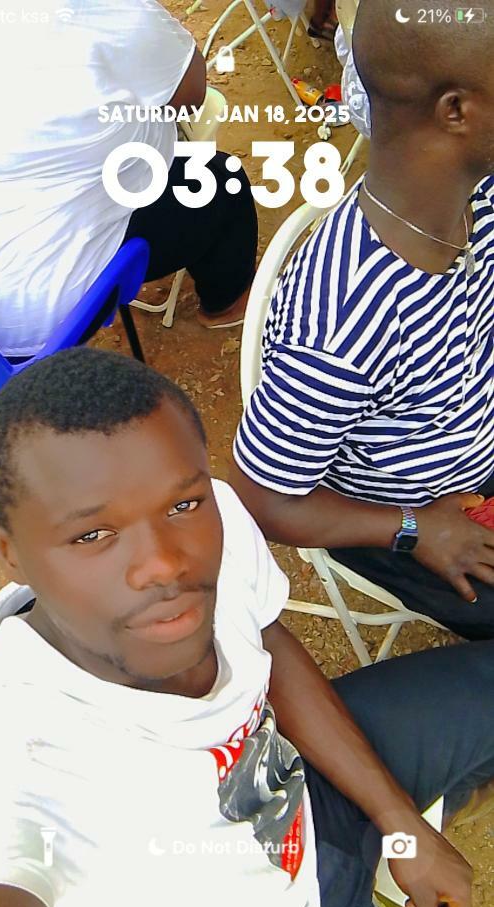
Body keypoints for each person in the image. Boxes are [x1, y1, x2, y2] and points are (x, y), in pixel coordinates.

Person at [0, 347, 492, 907]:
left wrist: (403, 828)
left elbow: (264, 641)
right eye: (92, 535)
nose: (164, 563)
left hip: (311, 791)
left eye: (182, 505)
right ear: (10, 552)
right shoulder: (11, 747)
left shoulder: (219, 518)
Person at [231, 0, 494, 640]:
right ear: (455, 111)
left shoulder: (475, 195)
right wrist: (413, 529)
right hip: (410, 515)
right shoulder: (345, 322)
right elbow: (260, 497)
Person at [0, 0, 257, 358]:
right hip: (49, 316)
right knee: (221, 181)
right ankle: (225, 305)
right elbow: (191, 97)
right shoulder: (119, 15)